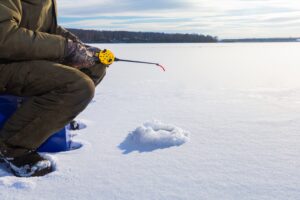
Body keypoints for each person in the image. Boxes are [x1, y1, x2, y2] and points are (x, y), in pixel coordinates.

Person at [0, 0, 108, 177]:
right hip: (4, 64)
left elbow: (50, 29)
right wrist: (66, 49)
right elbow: (4, 36)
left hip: (21, 59)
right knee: (78, 86)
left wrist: (82, 49)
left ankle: (51, 118)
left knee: (94, 66)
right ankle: (11, 148)